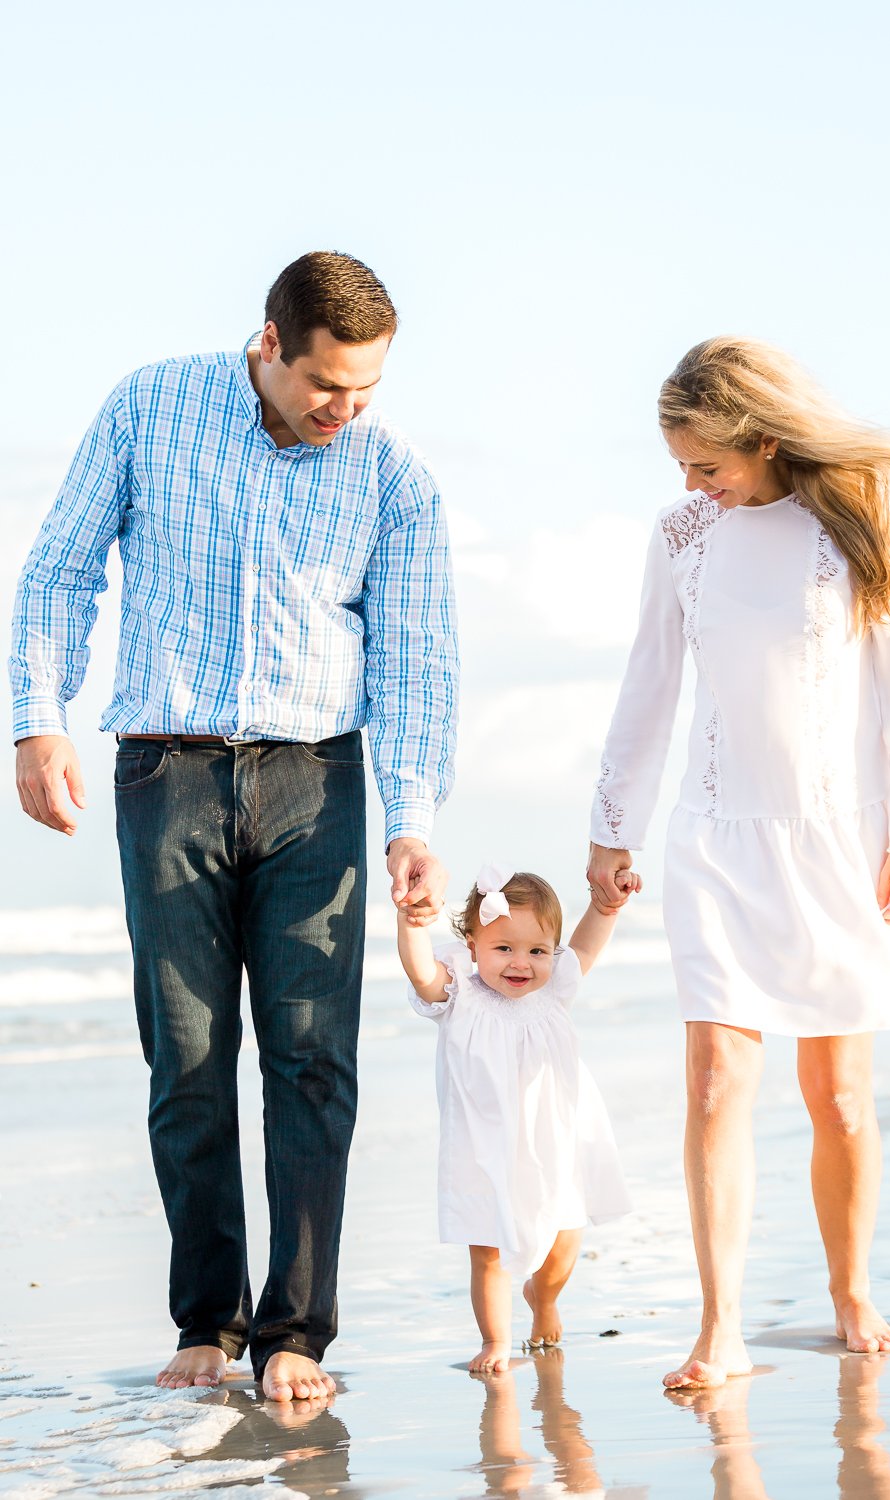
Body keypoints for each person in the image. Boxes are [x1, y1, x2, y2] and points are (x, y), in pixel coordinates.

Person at [10, 251, 459, 1402]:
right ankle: (206, 1322)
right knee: (190, 1062)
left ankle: (297, 1335)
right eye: (326, 385)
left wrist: (411, 817)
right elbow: (59, 572)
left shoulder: (392, 474)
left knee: (313, 1062)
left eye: (365, 389)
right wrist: (36, 721)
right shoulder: (149, 404)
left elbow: (415, 659)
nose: (345, 410)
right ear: (270, 344)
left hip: (321, 780)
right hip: (167, 772)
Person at [586, 337, 890, 1389]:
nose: (691, 484)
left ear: (763, 440)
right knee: (718, 1079)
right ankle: (719, 1325)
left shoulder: (854, 514)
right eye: (680, 466)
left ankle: (850, 1289)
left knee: (838, 1093)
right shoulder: (680, 535)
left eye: (704, 464)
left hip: (837, 843)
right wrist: (611, 824)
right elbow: (650, 683)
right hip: (717, 839)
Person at [398, 862, 635, 1373]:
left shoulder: (553, 989)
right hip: (482, 1146)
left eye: (537, 951)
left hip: (559, 1142)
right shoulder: (458, 990)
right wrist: (413, 924)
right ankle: (495, 1340)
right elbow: (420, 972)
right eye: (503, 948)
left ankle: (543, 1298)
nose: (520, 963)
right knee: (487, 1250)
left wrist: (606, 906)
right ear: (472, 945)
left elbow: (587, 946)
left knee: (564, 1245)